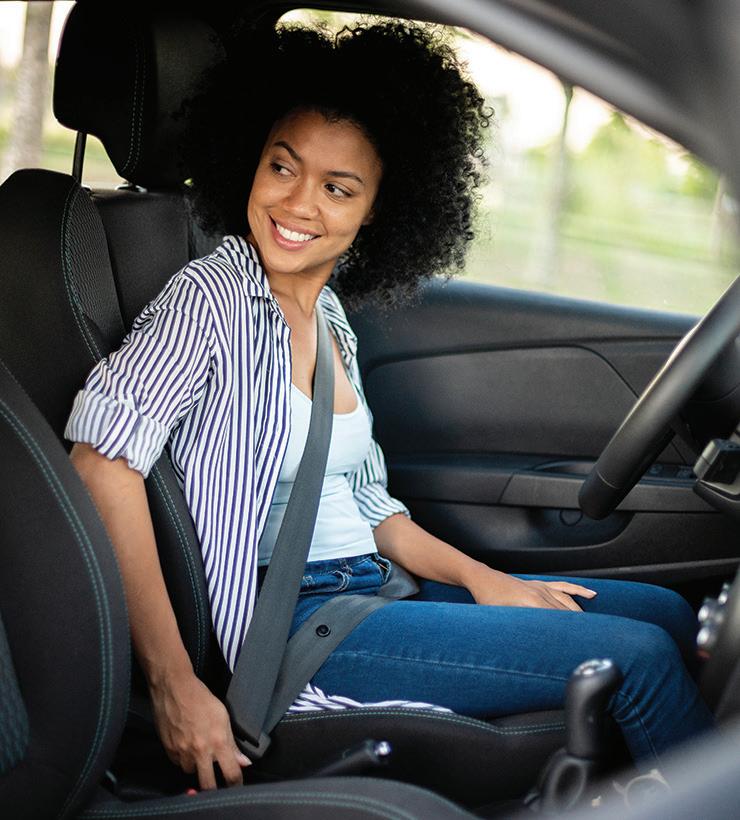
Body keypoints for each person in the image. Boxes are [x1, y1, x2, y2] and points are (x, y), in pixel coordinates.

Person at [65, 20, 713, 793]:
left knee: (667, 613)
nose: (298, 202)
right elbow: (101, 461)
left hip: (373, 586)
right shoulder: (209, 297)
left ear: (378, 207)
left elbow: (371, 505)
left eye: (338, 188)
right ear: (250, 160)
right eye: (282, 166)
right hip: (295, 626)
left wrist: (484, 579)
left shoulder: (329, 317)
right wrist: (174, 684)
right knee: (638, 660)